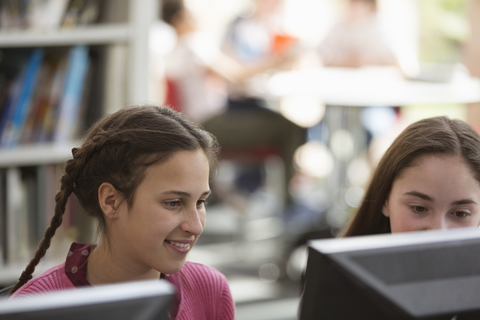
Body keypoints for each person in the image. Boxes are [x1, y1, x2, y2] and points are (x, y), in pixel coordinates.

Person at [8, 105, 235, 319]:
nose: (195, 226)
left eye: (201, 202)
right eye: (174, 203)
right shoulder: (36, 307)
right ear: (111, 201)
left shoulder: (210, 290)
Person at [341, 116, 480, 237]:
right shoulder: (332, 267)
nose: (438, 232)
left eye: (460, 214)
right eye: (419, 208)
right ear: (385, 200)